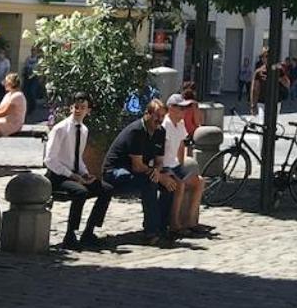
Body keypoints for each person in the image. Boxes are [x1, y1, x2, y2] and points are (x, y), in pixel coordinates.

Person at [102, 99, 176, 244]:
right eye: (156, 116)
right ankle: (151, 233)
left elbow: (159, 161)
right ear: (147, 114)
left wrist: (158, 172)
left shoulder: (160, 132)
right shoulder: (136, 131)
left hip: (138, 171)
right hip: (116, 171)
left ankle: (162, 226)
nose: (159, 120)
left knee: (170, 182)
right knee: (150, 182)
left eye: (162, 117)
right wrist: (158, 176)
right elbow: (137, 165)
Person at [44, 94, 112, 248]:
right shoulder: (60, 129)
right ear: (71, 108)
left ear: (88, 110)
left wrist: (85, 173)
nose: (79, 111)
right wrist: (72, 175)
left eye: (83, 108)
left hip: (74, 174)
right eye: (76, 107)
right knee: (80, 192)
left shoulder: (84, 130)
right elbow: (50, 160)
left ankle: (89, 231)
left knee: (106, 190)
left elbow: (77, 157)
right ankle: (70, 234)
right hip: (58, 176)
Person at [161, 95, 214, 236]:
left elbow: (181, 145)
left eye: (185, 108)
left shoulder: (180, 124)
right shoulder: (164, 125)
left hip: (174, 165)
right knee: (181, 183)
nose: (184, 112)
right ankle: (174, 223)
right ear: (171, 108)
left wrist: (181, 164)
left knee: (199, 181)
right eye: (181, 108)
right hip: (164, 167)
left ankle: (191, 222)